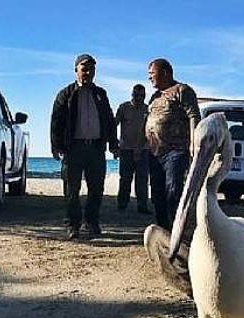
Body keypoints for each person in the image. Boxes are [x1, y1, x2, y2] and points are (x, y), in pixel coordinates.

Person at [50, 54, 119, 239]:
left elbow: (109, 120)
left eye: (91, 69)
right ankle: (73, 225)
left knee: (96, 188)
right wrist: (56, 145)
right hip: (73, 149)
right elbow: (56, 120)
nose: (88, 72)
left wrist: (113, 143)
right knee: (71, 189)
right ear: (76, 70)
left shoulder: (100, 94)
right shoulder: (66, 94)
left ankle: (91, 222)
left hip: (96, 148)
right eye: (84, 68)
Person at [145, 58, 201, 230]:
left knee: (173, 192)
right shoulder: (155, 97)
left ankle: (178, 230)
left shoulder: (182, 90)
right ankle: (164, 230)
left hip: (175, 152)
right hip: (154, 154)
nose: (149, 78)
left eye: (152, 74)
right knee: (157, 195)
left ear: (164, 73)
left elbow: (194, 116)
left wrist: (193, 143)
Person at [116, 84, 151, 214]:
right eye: (136, 95)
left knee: (142, 180)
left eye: (142, 96)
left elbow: (150, 130)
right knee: (125, 179)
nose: (139, 98)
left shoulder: (148, 110)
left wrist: (142, 147)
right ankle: (122, 204)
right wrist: (114, 144)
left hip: (143, 150)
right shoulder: (124, 108)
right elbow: (114, 124)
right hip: (126, 150)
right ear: (132, 94)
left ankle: (142, 206)